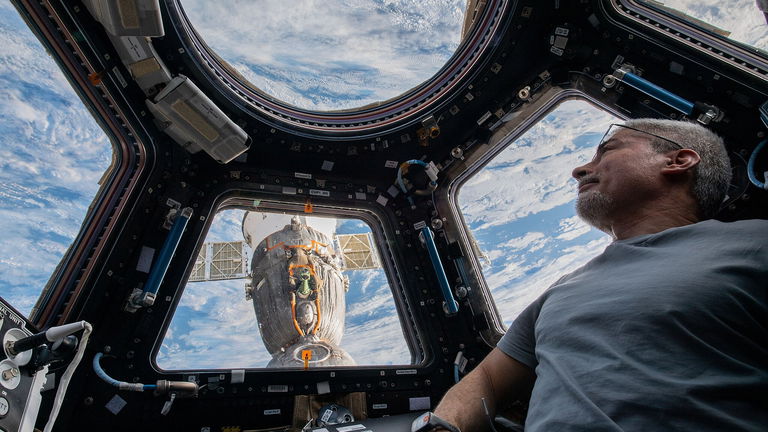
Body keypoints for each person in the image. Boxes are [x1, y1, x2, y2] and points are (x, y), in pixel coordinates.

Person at [433, 118, 768, 431]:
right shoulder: (560, 292)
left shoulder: (755, 243)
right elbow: (487, 381)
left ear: (678, 161)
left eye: (607, 150)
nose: (579, 170)